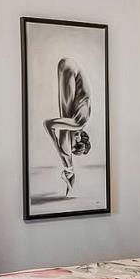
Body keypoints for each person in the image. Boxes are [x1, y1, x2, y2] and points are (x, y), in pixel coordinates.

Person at [44, 58, 91, 197]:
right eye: (74, 145)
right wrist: (58, 149)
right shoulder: (79, 122)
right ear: (78, 138)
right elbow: (48, 124)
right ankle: (69, 170)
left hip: (70, 67)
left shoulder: (81, 120)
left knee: (65, 127)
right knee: (65, 131)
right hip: (70, 68)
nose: (71, 144)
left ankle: (69, 170)